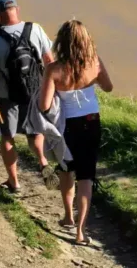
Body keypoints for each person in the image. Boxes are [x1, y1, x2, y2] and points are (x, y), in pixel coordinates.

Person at [39, 20, 113, 246]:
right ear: (86, 40)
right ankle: (81, 231)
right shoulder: (95, 62)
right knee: (86, 178)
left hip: (66, 127)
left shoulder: (54, 69)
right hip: (91, 123)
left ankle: (68, 217)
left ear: (61, 41)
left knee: (66, 172)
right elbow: (109, 87)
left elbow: (44, 105)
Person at [0, 0, 56, 193]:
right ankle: (42, 162)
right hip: (35, 92)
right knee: (35, 133)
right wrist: (51, 90)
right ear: (18, 9)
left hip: (8, 95)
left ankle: (14, 182)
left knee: (7, 137)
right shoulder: (35, 29)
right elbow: (49, 61)